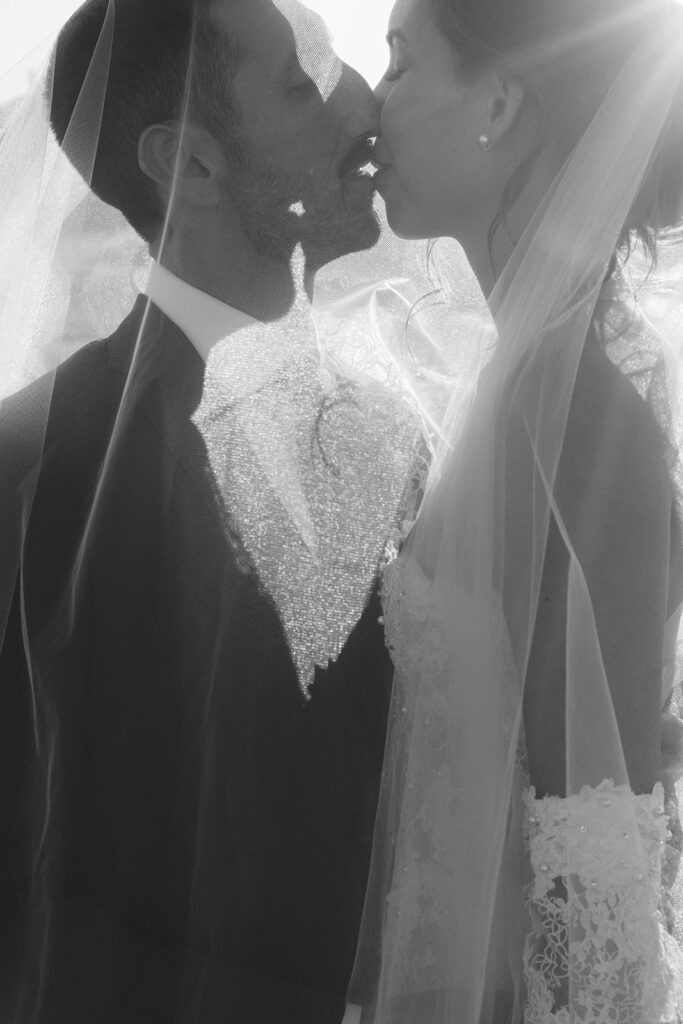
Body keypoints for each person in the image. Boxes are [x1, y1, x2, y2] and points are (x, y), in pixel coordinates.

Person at [0, 1, 421, 1021]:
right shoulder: (34, 460)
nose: (361, 102)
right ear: (187, 164)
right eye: (300, 82)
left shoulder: (386, 430)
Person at [347, 0, 683, 1021]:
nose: (369, 105)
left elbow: (596, 871)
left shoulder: (582, 413)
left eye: (399, 60)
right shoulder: (512, 379)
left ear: (500, 102)